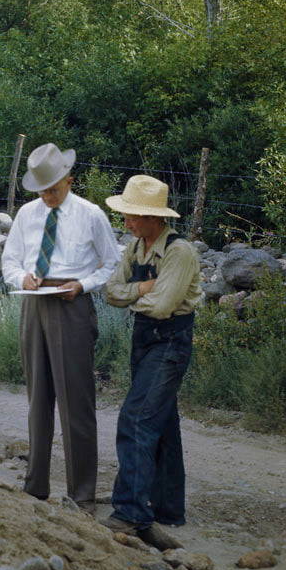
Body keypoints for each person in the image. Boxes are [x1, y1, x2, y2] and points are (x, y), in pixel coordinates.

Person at [0, 143, 121, 509]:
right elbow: (9, 261)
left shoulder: (91, 214)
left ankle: (81, 493)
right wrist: (23, 279)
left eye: (53, 188)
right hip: (34, 305)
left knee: (76, 402)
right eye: (42, 190)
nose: (48, 196)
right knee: (38, 400)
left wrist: (83, 285)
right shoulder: (26, 214)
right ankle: (36, 486)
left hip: (72, 305)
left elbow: (113, 264)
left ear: (70, 180)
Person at [102, 175, 202, 551]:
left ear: (154, 218)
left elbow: (162, 307)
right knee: (160, 421)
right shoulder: (136, 247)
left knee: (137, 419)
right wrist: (144, 289)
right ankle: (168, 507)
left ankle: (130, 512)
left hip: (170, 341)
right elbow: (111, 292)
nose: (126, 222)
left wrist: (136, 295)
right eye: (126, 215)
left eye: (133, 216)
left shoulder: (179, 252)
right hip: (144, 341)